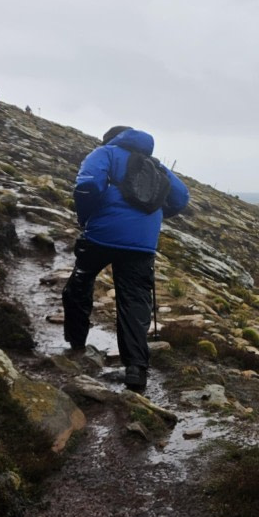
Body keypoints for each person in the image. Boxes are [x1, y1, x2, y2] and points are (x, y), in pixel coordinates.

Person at [62, 126, 189, 391]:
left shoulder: (105, 153)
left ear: (111, 140)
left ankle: (76, 343)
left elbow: (86, 186)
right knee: (134, 301)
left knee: (80, 284)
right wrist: (151, 217)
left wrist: (86, 218)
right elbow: (181, 198)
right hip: (141, 244)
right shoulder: (155, 166)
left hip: (100, 236)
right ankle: (136, 370)